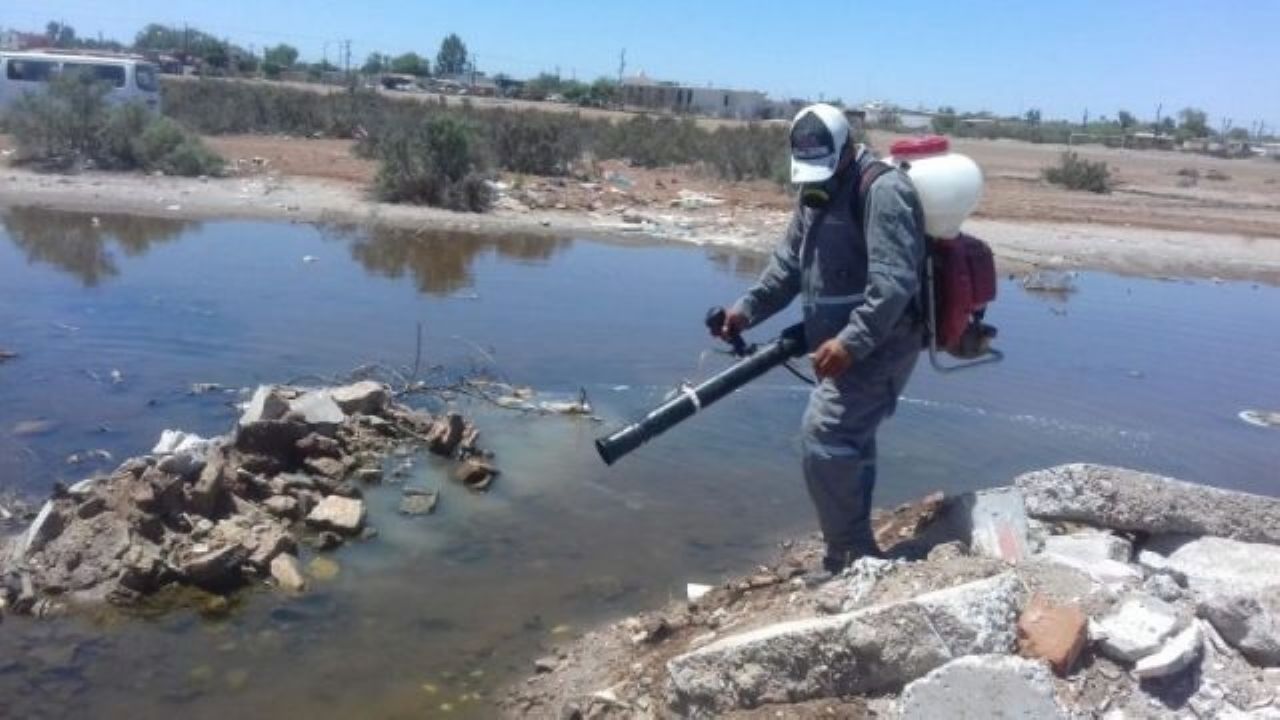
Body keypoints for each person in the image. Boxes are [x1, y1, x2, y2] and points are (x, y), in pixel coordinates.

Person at [714, 103, 926, 579]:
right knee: (848, 439)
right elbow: (789, 266)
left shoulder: (883, 191)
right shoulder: (815, 190)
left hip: (883, 339)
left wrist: (850, 342)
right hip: (839, 341)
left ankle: (849, 556)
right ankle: (854, 549)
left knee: (826, 432)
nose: (816, 179)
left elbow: (893, 284)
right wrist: (745, 311)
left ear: (847, 149)